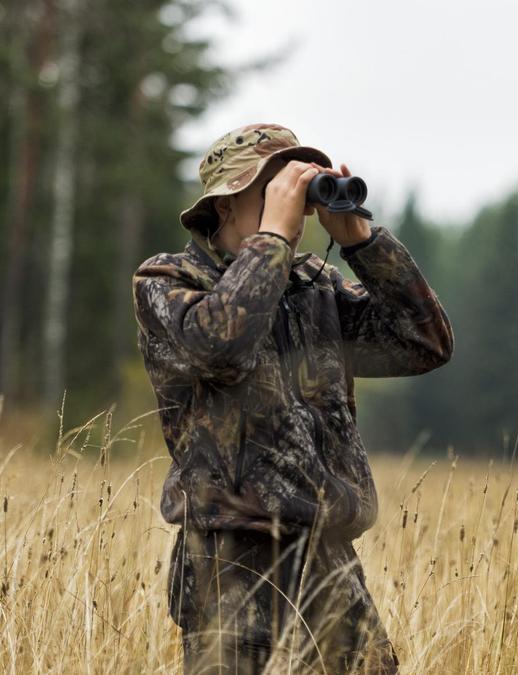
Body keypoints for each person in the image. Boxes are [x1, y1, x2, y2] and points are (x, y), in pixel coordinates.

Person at [131, 123, 454, 674]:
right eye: (273, 189)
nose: (293, 208)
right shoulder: (168, 280)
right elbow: (220, 348)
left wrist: (362, 242)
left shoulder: (316, 288)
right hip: (230, 559)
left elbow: (424, 342)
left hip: (327, 554)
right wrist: (273, 243)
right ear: (227, 202)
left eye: (295, 192)